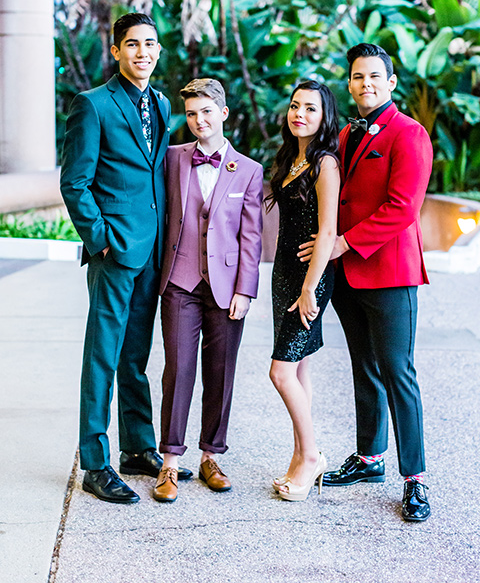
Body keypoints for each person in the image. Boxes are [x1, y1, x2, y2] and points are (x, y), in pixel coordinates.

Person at [60, 12, 191, 504]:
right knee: (104, 356)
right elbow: (75, 181)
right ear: (115, 51)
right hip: (115, 253)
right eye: (132, 44)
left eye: (151, 44)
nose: (143, 52)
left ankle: (138, 446)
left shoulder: (159, 102)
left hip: (153, 253)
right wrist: (102, 239)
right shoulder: (92, 105)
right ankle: (94, 462)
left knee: (136, 356)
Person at [300, 43, 433, 521]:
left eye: (374, 76)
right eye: (357, 77)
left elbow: (402, 208)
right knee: (364, 366)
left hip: (390, 272)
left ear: (391, 82)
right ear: (350, 82)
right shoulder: (343, 135)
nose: (365, 84)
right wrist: (318, 243)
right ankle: (370, 458)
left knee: (399, 372)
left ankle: (415, 478)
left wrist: (341, 243)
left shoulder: (409, 134)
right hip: (348, 276)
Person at [152, 78, 264, 503]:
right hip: (179, 282)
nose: (199, 121)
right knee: (177, 370)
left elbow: (251, 238)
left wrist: (246, 290)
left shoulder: (248, 170)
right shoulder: (171, 158)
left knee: (221, 371)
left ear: (223, 113)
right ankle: (170, 461)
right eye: (192, 114)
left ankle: (211, 455)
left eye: (206, 112)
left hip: (226, 287)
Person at [266, 80, 340, 502]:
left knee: (280, 371)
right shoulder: (291, 158)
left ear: (324, 116)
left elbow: (327, 230)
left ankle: (312, 456)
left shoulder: (324, 163)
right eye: (295, 106)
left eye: (311, 109)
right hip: (283, 275)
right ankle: (299, 455)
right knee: (299, 370)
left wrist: (310, 287)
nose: (300, 114)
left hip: (308, 279)